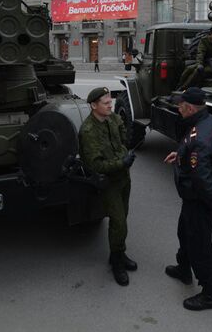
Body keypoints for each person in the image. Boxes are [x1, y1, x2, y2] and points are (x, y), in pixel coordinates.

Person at [163, 87, 212, 311]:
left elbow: (202, 175)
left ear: (190, 108)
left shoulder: (199, 138)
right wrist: (179, 155)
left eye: (180, 106)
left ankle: (210, 295)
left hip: (199, 200)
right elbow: (201, 156)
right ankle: (184, 269)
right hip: (193, 198)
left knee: (200, 246)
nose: (178, 109)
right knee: (184, 233)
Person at [78, 87, 137, 286]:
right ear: (94, 106)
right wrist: (122, 163)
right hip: (109, 182)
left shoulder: (112, 119)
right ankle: (117, 262)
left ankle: (118, 253)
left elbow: (122, 140)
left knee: (123, 218)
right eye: (105, 103)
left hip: (124, 178)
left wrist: (128, 149)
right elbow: (94, 165)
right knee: (118, 221)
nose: (110, 105)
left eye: (110, 101)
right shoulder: (88, 130)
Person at [176, 23, 212, 90]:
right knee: (189, 68)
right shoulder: (205, 40)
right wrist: (199, 64)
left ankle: (183, 88)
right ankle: (179, 85)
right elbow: (200, 53)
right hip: (206, 62)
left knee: (197, 72)